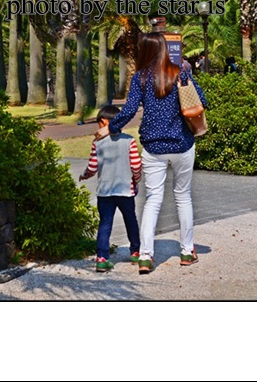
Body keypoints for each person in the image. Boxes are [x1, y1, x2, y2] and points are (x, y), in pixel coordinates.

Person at [97, 32, 207, 274]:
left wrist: (110, 128)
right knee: (183, 197)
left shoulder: (141, 78)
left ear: (145, 50)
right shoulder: (180, 73)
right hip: (182, 145)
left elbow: (128, 110)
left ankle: (146, 256)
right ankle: (187, 251)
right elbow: (202, 100)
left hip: (153, 148)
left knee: (153, 199)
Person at [79, 104, 142, 272]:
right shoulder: (129, 140)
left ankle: (102, 258)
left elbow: (92, 167)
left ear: (104, 122)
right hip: (125, 190)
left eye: (99, 123)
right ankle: (135, 252)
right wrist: (136, 180)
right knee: (131, 219)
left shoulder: (97, 143)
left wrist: (84, 175)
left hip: (105, 191)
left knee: (105, 223)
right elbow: (136, 166)